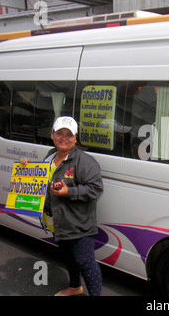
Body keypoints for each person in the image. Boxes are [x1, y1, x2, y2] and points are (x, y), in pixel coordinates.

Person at [21, 116, 104, 296]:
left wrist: (69, 192)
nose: (63, 138)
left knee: (85, 262)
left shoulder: (84, 161)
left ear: (75, 138)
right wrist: (27, 168)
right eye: (59, 133)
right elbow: (41, 180)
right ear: (52, 135)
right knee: (69, 256)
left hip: (79, 223)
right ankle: (75, 287)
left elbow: (96, 189)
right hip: (56, 220)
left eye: (69, 134)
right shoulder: (49, 157)